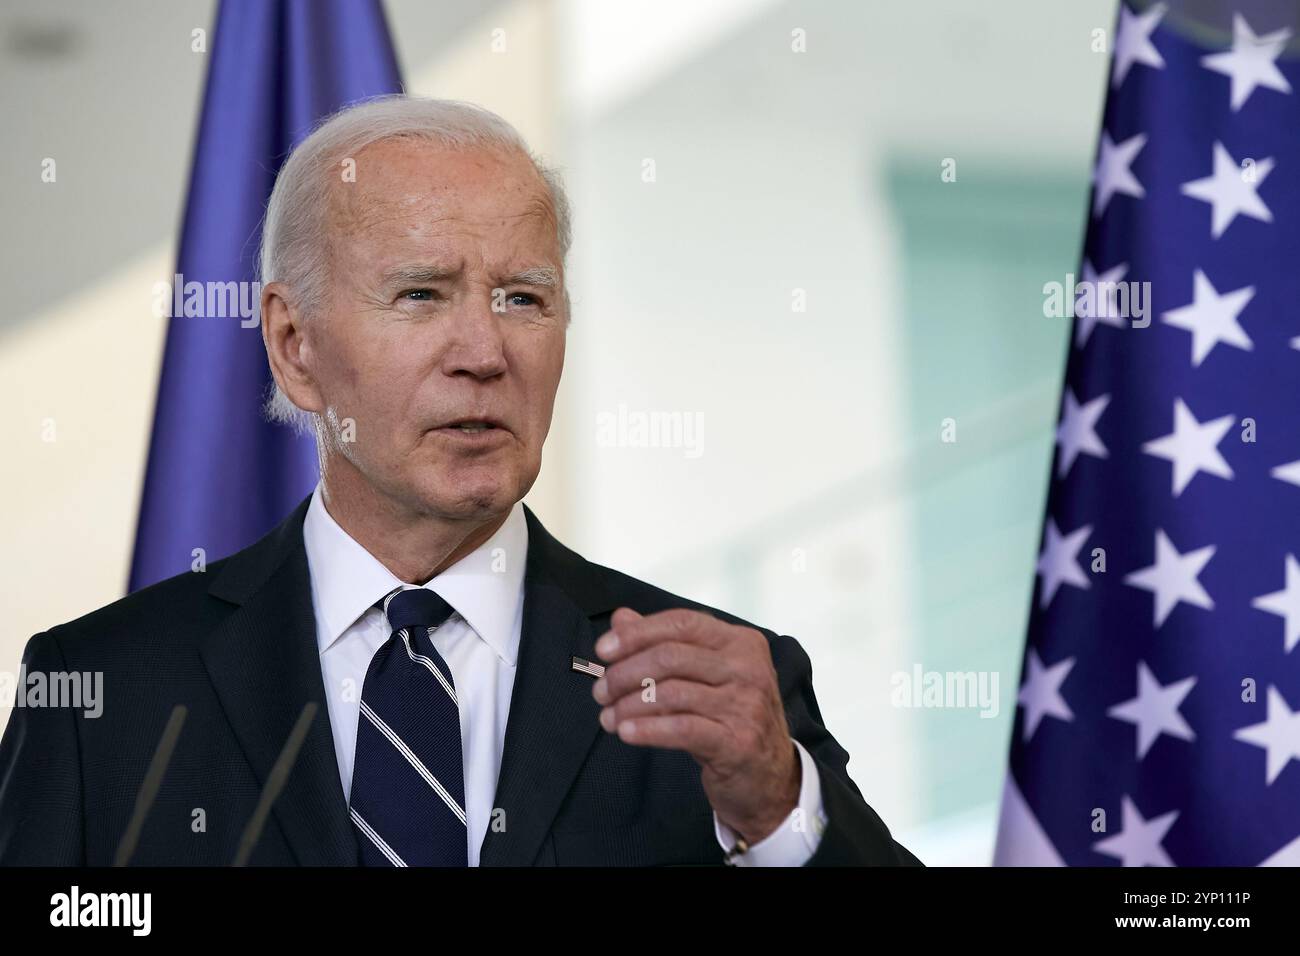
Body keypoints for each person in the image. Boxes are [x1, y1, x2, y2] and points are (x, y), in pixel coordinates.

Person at [0, 96, 919, 867]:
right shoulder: (101, 691)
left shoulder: (719, 696)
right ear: (294, 345)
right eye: (421, 295)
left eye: (524, 297)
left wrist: (775, 811)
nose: (484, 354)